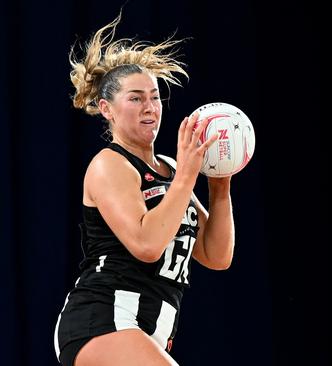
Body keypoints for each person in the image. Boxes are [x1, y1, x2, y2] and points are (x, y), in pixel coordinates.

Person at [54, 13, 234, 366]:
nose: (150, 107)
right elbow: (147, 245)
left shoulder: (169, 168)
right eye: (135, 98)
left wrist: (219, 185)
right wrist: (185, 177)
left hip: (151, 329)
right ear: (106, 109)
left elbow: (216, 255)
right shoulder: (110, 165)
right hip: (104, 318)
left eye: (154, 97)